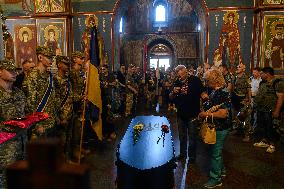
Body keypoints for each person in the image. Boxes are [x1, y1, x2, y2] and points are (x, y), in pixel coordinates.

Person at [199, 69, 230, 188]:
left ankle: (215, 179)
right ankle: (221, 171)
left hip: (220, 127)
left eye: (207, 80)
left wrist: (204, 114)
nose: (205, 83)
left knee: (215, 153)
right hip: (216, 126)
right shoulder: (215, 91)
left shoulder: (222, 92)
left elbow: (223, 114)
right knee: (216, 151)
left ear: (213, 80)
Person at [169, 65, 208, 163]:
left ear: (185, 71)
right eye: (177, 72)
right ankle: (182, 154)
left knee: (192, 136)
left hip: (193, 113)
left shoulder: (195, 80)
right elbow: (170, 97)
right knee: (182, 136)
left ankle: (192, 157)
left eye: (180, 72)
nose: (178, 74)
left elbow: (202, 92)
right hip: (181, 113)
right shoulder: (177, 82)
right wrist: (173, 92)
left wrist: (205, 97)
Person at [0, 59, 26, 188]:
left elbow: (24, 116)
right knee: (5, 180)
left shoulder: (19, 93)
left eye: (15, 70)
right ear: (0, 72)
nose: (14, 73)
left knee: (21, 178)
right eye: (9, 71)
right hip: (5, 147)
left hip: (21, 143)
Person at [22, 46, 58, 138]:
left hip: (51, 121)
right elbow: (30, 104)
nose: (51, 60)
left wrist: (56, 117)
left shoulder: (49, 76)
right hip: (39, 126)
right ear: (40, 57)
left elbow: (53, 98)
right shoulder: (33, 76)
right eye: (49, 57)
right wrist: (37, 125)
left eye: (52, 58)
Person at [253, 67, 284, 153]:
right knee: (262, 126)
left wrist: (277, 111)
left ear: (267, 74)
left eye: (262, 73)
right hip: (261, 109)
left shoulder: (277, 82)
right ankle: (264, 141)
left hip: (270, 110)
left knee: (271, 128)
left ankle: (272, 144)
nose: (260, 75)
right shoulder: (262, 82)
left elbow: (281, 97)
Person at [54, 55, 73, 160]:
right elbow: (56, 102)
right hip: (62, 117)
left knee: (68, 139)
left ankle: (67, 160)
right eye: (66, 64)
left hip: (70, 114)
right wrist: (60, 118)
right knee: (61, 141)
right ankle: (61, 162)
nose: (68, 66)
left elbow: (70, 96)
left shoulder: (67, 79)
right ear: (59, 65)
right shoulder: (55, 81)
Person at [231, 63, 252, 142]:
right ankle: (238, 131)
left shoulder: (246, 77)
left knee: (245, 117)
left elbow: (249, 88)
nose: (237, 67)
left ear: (243, 69)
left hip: (243, 99)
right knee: (236, 116)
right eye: (237, 66)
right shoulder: (235, 77)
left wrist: (249, 99)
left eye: (239, 67)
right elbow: (232, 88)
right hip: (235, 98)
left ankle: (247, 134)